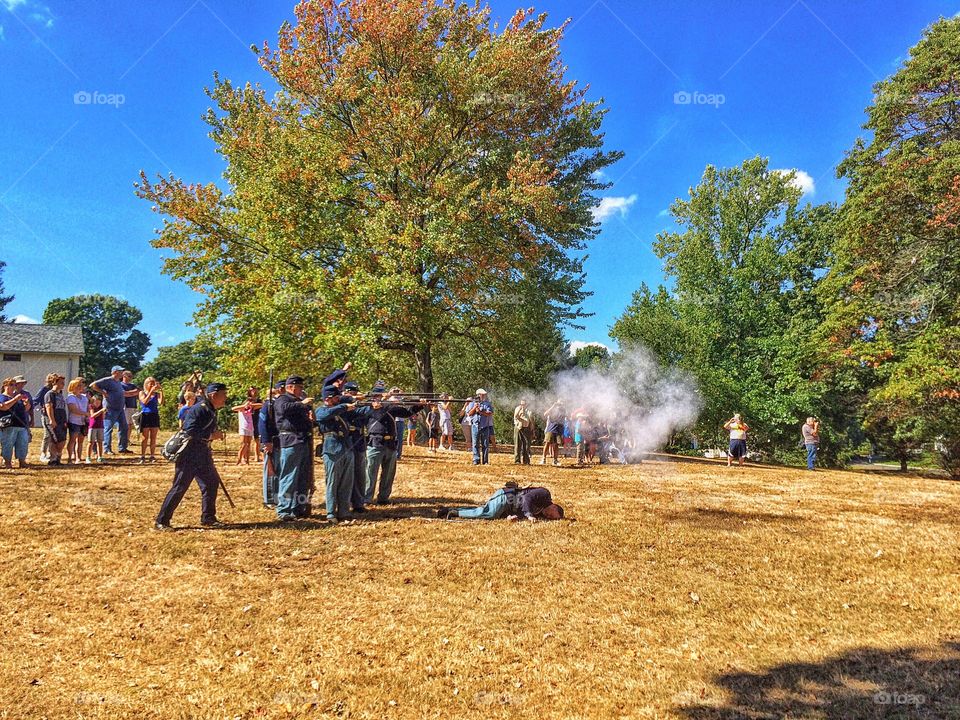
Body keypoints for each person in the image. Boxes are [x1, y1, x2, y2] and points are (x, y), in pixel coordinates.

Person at [154, 383, 228, 530]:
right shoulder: (199, 409)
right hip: (190, 454)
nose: (226, 397)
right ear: (213, 395)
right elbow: (190, 431)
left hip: (202, 454)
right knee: (179, 487)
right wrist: (212, 435)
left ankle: (208, 518)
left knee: (211, 483)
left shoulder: (211, 409)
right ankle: (162, 521)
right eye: (223, 394)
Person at [315, 384, 371, 523]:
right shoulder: (322, 410)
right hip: (332, 449)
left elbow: (361, 412)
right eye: (336, 397)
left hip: (347, 448)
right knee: (333, 483)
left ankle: (344, 512)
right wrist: (345, 406)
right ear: (328, 398)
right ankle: (330, 513)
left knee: (347, 482)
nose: (338, 399)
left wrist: (373, 405)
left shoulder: (342, 411)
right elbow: (326, 414)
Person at [365, 384, 424, 505]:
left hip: (390, 443)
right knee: (370, 473)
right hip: (375, 442)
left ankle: (383, 498)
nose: (380, 397)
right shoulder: (368, 407)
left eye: (381, 395)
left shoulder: (389, 407)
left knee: (388, 474)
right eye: (377, 395)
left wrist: (419, 404)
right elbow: (372, 412)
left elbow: (407, 412)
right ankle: (366, 498)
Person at [274, 376, 315, 521]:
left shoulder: (298, 402)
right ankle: (284, 510)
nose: (301, 390)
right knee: (289, 476)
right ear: (290, 387)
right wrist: (302, 404)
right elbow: (284, 409)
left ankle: (299, 507)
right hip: (291, 440)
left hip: (303, 440)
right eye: (299, 387)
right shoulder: (283, 399)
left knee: (303, 478)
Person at [440, 483, 564, 521]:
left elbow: (521, 510)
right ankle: (455, 513)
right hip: (506, 497)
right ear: (554, 507)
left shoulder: (540, 512)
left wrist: (510, 518)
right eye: (551, 514)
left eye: (551, 518)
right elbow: (527, 499)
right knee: (488, 514)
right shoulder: (545, 494)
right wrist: (529, 515)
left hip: (507, 506)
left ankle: (449, 510)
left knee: (483, 510)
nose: (548, 516)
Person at [90, 366, 139, 456]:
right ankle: (106, 449)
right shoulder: (108, 380)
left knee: (124, 427)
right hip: (110, 408)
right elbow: (93, 385)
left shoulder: (118, 383)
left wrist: (134, 392)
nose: (122, 373)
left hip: (120, 409)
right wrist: (103, 392)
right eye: (120, 371)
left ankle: (122, 448)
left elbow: (122, 393)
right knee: (108, 428)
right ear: (115, 372)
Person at [341, 381, 369, 513]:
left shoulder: (359, 405)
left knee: (360, 474)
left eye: (355, 393)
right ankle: (344, 503)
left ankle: (358, 503)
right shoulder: (341, 404)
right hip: (346, 441)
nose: (354, 395)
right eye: (351, 393)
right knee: (346, 476)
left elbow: (365, 416)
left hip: (358, 439)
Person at [258, 381, 285, 508]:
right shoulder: (269, 404)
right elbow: (262, 423)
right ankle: (270, 499)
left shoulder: (283, 404)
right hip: (271, 441)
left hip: (282, 441)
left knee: (280, 471)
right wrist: (266, 441)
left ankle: (279, 496)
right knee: (270, 471)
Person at [0, 377, 31, 469]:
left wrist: (26, 404)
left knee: (23, 443)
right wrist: (15, 400)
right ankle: (7, 462)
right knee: (8, 444)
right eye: (11, 385)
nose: (14, 387)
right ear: (5, 386)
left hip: (21, 424)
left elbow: (25, 410)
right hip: (9, 425)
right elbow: (3, 407)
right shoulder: (3, 396)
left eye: (15, 385)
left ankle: (22, 461)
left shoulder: (17, 396)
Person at [232, 388, 262, 465]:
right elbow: (233, 408)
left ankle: (247, 461)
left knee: (248, 444)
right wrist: (244, 406)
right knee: (243, 444)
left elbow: (261, 405)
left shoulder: (252, 408)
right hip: (243, 427)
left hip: (250, 426)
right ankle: (239, 459)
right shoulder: (242, 409)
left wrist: (251, 405)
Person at [137, 377, 164, 463]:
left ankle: (152, 456)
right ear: (146, 384)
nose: (152, 385)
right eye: (150, 383)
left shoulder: (156, 394)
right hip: (145, 415)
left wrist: (161, 391)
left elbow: (161, 402)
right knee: (145, 437)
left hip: (154, 415)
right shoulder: (142, 392)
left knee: (153, 437)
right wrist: (150, 392)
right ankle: (143, 455)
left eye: (153, 383)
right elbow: (144, 402)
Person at [43, 374, 68, 465]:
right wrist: (51, 420)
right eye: (61, 383)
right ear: (55, 383)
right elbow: (49, 407)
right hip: (54, 419)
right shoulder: (50, 394)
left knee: (62, 439)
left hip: (62, 420)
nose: (63, 384)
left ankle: (58, 457)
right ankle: (53, 459)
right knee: (55, 439)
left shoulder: (60, 394)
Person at [465, 389, 494, 465]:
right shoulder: (472, 403)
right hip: (475, 425)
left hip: (485, 426)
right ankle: (476, 460)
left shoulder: (487, 404)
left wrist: (481, 412)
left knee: (485, 444)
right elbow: (469, 414)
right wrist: (475, 408)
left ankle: (485, 461)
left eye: (484, 394)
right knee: (475, 444)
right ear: (478, 395)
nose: (484, 396)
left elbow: (489, 413)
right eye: (482, 394)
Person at [64, 377, 89, 465]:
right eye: (78, 385)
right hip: (74, 421)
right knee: (72, 440)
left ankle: (78, 457)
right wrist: (85, 414)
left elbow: (86, 408)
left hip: (82, 422)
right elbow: (73, 410)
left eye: (80, 385)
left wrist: (86, 416)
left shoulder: (84, 398)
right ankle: (70, 458)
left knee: (81, 441)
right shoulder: (71, 397)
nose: (80, 387)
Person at [34, 373, 56, 461]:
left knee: (53, 435)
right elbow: (36, 399)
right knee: (47, 435)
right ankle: (43, 453)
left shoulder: (57, 391)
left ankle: (51, 453)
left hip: (55, 414)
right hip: (46, 415)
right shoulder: (44, 389)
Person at [541, 400, 565, 466]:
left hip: (558, 430)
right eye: (559, 403)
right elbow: (545, 414)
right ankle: (543, 459)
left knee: (556, 445)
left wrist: (562, 432)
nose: (560, 405)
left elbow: (563, 421)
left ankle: (555, 460)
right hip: (550, 429)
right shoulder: (552, 409)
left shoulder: (563, 411)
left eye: (561, 403)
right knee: (547, 443)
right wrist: (553, 406)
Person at [120, 370, 139, 452]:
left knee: (130, 424)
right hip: (126, 406)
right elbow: (123, 393)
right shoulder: (121, 385)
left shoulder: (133, 385)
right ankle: (123, 441)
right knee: (126, 424)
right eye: (129, 376)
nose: (131, 378)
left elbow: (138, 391)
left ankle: (127, 439)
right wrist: (132, 393)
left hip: (133, 406)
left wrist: (130, 393)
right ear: (124, 376)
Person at [86, 393, 105, 463]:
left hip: (100, 426)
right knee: (91, 442)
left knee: (100, 442)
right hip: (93, 426)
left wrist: (103, 412)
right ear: (93, 402)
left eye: (99, 403)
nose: (98, 404)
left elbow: (103, 417)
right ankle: (88, 457)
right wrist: (101, 411)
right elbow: (93, 415)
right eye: (96, 403)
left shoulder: (101, 407)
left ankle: (100, 456)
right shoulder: (91, 406)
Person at [513, 399, 533, 465]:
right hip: (518, 427)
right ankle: (517, 460)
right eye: (521, 404)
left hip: (526, 428)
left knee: (527, 445)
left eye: (524, 404)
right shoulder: (517, 409)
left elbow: (530, 420)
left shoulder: (529, 410)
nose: (523, 406)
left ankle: (526, 460)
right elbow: (516, 416)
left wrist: (532, 427)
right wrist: (520, 412)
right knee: (517, 444)